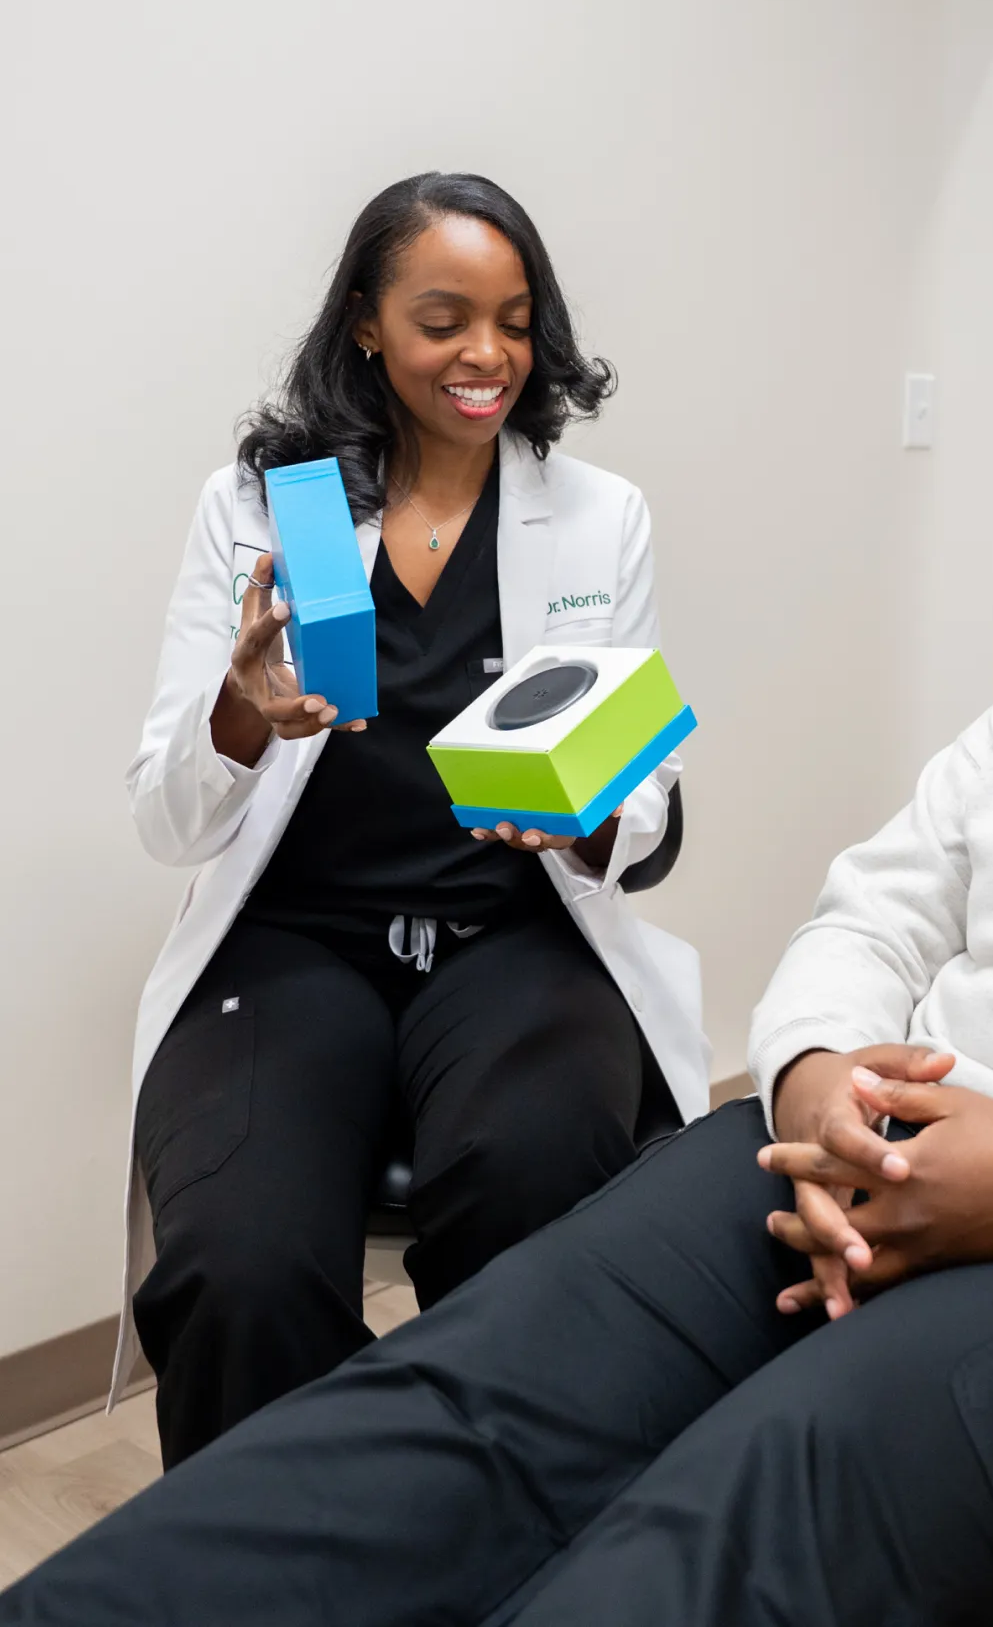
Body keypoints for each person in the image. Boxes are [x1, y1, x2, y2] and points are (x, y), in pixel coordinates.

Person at [6, 335, 993, 1624]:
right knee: (469, 1392)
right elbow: (869, 917)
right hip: (884, 1161)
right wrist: (822, 1077)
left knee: (772, 1490)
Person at [113, 172, 708, 1468]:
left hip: (514, 940)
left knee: (538, 1199)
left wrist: (585, 813)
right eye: (443, 319)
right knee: (241, 1266)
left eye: (513, 318)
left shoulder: (598, 516)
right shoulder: (279, 510)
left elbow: (649, 809)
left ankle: (494, 1527)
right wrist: (239, 717)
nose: (486, 354)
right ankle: (269, 1561)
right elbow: (168, 818)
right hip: (292, 948)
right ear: (368, 327)